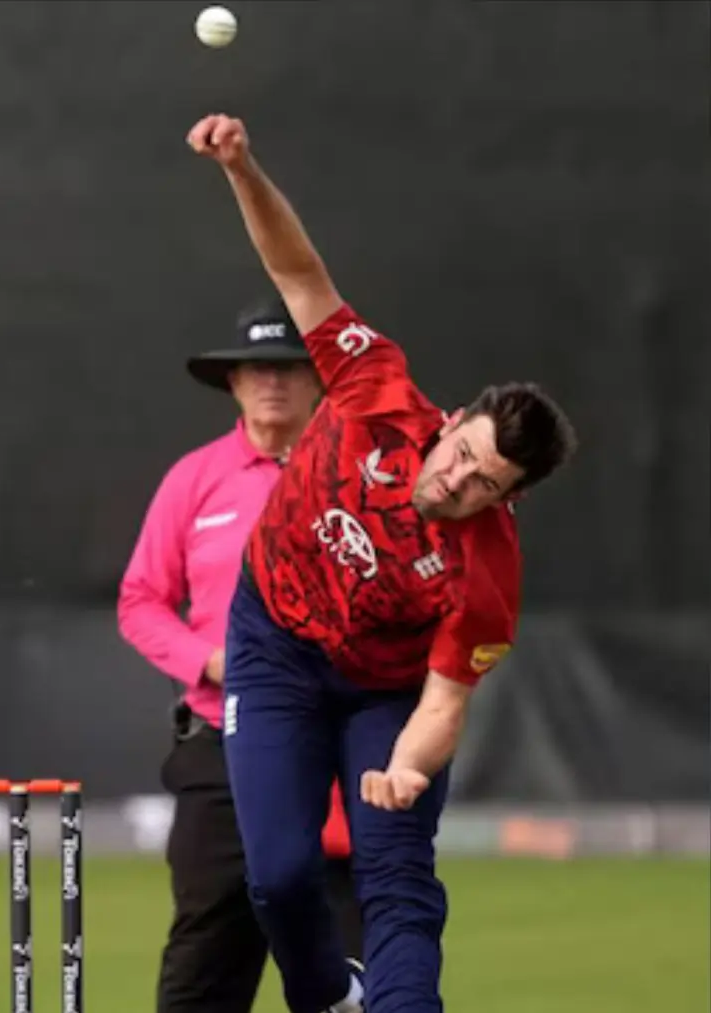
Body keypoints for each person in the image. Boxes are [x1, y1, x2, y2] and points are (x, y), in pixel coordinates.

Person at [186, 112, 578, 1013]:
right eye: (461, 453)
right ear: (453, 421)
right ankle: (330, 998)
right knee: (279, 875)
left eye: (483, 483)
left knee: (395, 875)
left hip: (387, 694)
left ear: (509, 496)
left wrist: (407, 766)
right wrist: (241, 168)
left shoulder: (486, 571)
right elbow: (298, 274)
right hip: (276, 643)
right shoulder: (378, 387)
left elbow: (444, 704)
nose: (455, 481)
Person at [119, 300, 365, 1013]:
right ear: (233, 382)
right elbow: (141, 600)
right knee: (206, 962)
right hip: (220, 743)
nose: (273, 382)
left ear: (318, 381)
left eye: (289, 368)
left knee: (351, 957)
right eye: (257, 368)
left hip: (335, 741)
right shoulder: (195, 479)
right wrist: (209, 660)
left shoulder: (356, 476)